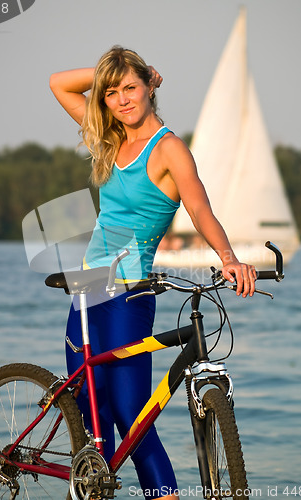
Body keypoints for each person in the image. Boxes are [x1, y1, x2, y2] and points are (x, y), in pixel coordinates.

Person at [50, 46, 256, 500]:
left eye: (131, 88)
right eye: (111, 92)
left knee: (132, 415)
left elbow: (200, 207)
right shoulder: (107, 141)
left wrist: (228, 257)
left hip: (130, 292)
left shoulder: (169, 149)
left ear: (148, 88)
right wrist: (118, 72)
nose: (123, 99)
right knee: (88, 410)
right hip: (88, 286)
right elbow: (58, 83)